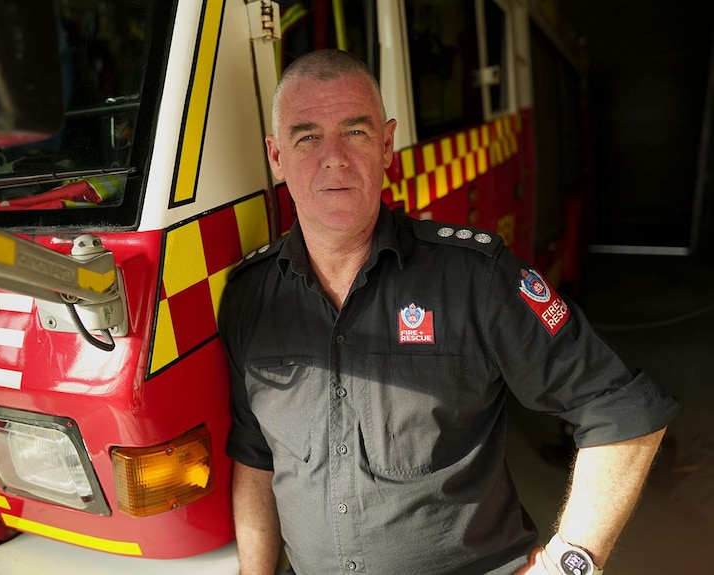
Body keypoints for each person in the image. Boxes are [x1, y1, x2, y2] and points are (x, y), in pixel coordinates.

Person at [218, 49, 678, 575]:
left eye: (356, 133)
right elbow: (255, 457)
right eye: (307, 138)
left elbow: (622, 408)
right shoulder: (249, 297)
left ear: (387, 144)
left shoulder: (475, 279)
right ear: (276, 157)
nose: (335, 157)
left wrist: (568, 564)